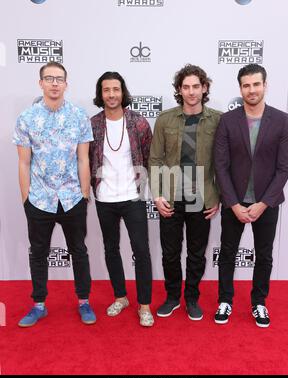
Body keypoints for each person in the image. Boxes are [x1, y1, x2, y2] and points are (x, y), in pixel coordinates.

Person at [14, 61, 96, 327]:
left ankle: (84, 301)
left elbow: (84, 159)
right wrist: (26, 198)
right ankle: (38, 304)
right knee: (38, 252)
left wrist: (84, 194)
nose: (54, 83)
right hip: (39, 198)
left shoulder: (79, 116)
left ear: (66, 84)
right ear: (40, 83)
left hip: (73, 197)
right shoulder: (26, 118)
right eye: (48, 78)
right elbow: (24, 162)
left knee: (79, 251)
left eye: (59, 78)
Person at [214, 63, 288, 327]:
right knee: (227, 252)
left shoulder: (281, 120)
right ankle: (225, 300)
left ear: (265, 85)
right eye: (246, 85)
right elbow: (220, 165)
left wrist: (263, 203)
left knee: (264, 254)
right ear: (240, 88)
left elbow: (284, 168)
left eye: (256, 84)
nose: (252, 90)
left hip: (267, 203)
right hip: (233, 202)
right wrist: (234, 203)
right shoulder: (227, 121)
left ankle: (259, 303)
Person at [149, 64, 221, 320]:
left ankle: (191, 298)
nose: (191, 92)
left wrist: (219, 196)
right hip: (170, 197)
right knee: (170, 252)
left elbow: (225, 162)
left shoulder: (218, 119)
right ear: (179, 90)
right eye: (186, 87)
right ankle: (172, 297)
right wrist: (157, 195)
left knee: (196, 253)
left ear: (204, 88)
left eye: (196, 86)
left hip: (202, 198)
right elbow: (155, 159)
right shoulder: (165, 119)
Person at [89, 71, 154, 327]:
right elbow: (86, 158)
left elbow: (149, 157)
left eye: (116, 89)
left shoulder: (138, 122)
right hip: (105, 198)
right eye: (107, 90)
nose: (112, 95)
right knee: (111, 249)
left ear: (122, 91)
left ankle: (145, 305)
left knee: (141, 251)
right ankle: (121, 297)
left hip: (132, 197)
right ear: (101, 93)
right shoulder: (93, 123)